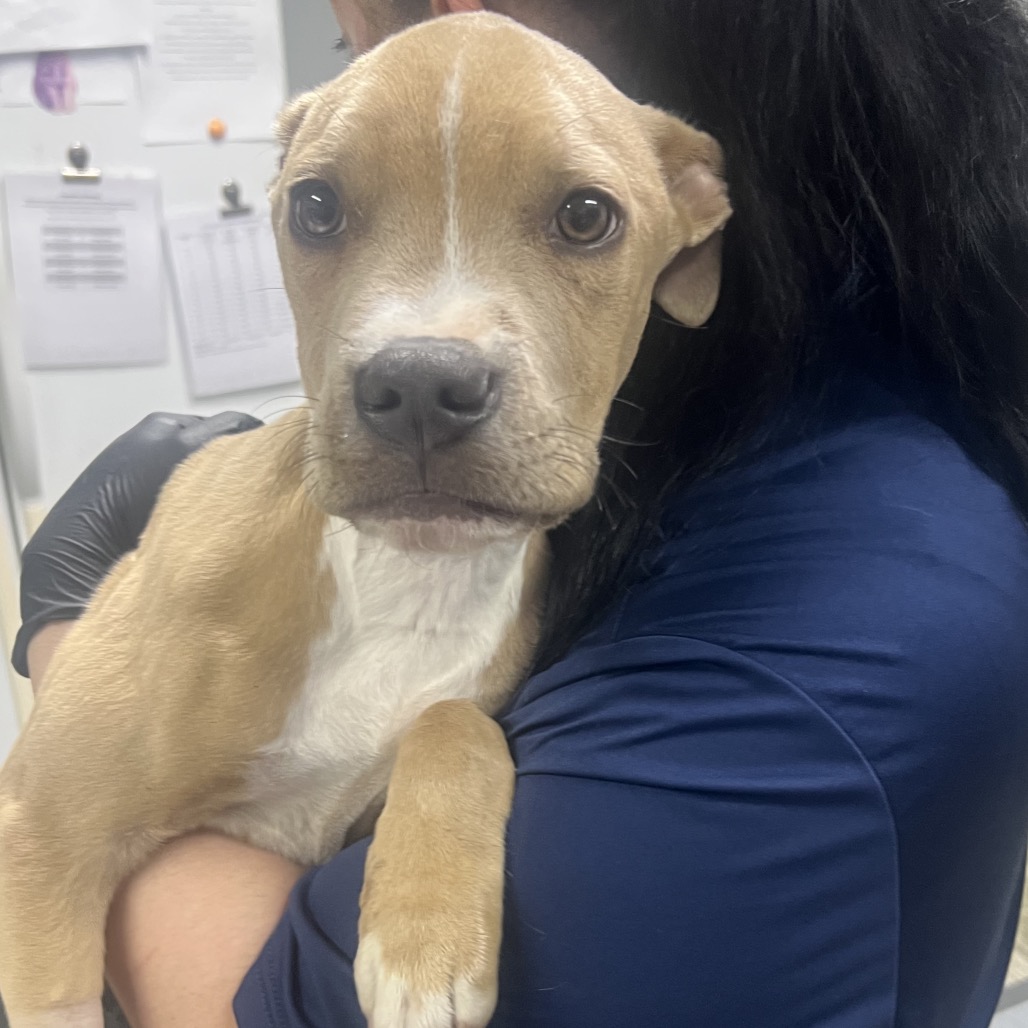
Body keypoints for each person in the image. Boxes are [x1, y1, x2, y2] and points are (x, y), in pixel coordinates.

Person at [13, 0, 1028, 1024]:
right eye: (321, 208)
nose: (417, 351)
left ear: (691, 218)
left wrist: (69, 638)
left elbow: (233, 987)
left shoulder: (802, 639)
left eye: (579, 218)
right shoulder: (837, 412)